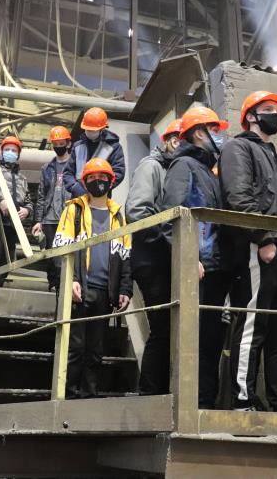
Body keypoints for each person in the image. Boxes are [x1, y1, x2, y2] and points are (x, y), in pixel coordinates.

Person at [219, 91, 277, 412]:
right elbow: (238, 197)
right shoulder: (238, 148)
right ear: (251, 116)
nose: (276, 114)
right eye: (268, 109)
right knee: (252, 326)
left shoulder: (272, 158)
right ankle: (242, 400)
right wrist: (262, 238)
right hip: (262, 249)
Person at [159, 106, 228, 409]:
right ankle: (192, 405)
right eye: (214, 130)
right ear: (199, 134)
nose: (220, 136)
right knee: (194, 340)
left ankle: (206, 403)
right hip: (196, 268)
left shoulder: (206, 170)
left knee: (210, 340)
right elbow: (171, 216)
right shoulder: (184, 166)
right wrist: (189, 257)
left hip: (212, 269)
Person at [53, 158, 132, 398]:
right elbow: (61, 249)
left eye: (103, 177)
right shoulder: (74, 210)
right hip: (79, 289)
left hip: (104, 292)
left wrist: (125, 289)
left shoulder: (118, 216)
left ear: (111, 181)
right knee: (75, 346)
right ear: (85, 182)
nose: (98, 181)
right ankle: (67, 395)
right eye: (93, 178)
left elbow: (125, 255)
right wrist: (71, 280)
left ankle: (89, 395)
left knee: (96, 350)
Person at [125, 118, 180, 395]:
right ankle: (149, 394)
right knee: (162, 329)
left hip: (165, 258)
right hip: (152, 259)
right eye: (177, 139)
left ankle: (160, 392)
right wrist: (170, 239)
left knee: (170, 330)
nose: (180, 145)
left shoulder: (174, 169)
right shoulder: (152, 166)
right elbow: (137, 211)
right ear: (168, 141)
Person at [0, 136, 33, 286]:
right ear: (2, 152)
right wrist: (0, 200)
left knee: (7, 260)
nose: (10, 152)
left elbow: (28, 200)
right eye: (7, 149)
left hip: (13, 224)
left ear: (18, 154)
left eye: (14, 150)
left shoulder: (22, 178)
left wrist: (27, 210)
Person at [32, 126, 73, 291]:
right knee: (50, 253)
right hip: (49, 218)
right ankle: (53, 284)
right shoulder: (47, 168)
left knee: (65, 253)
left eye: (61, 143)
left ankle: (65, 285)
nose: (58, 146)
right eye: (55, 144)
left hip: (68, 216)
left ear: (68, 144)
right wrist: (38, 220)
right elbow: (41, 195)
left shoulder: (75, 166)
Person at [63, 107, 125, 197]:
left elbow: (118, 172)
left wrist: (102, 188)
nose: (89, 132)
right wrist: (75, 187)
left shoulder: (113, 148)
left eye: (93, 130)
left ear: (102, 129)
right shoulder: (77, 147)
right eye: (87, 129)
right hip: (79, 197)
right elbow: (68, 172)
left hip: (101, 198)